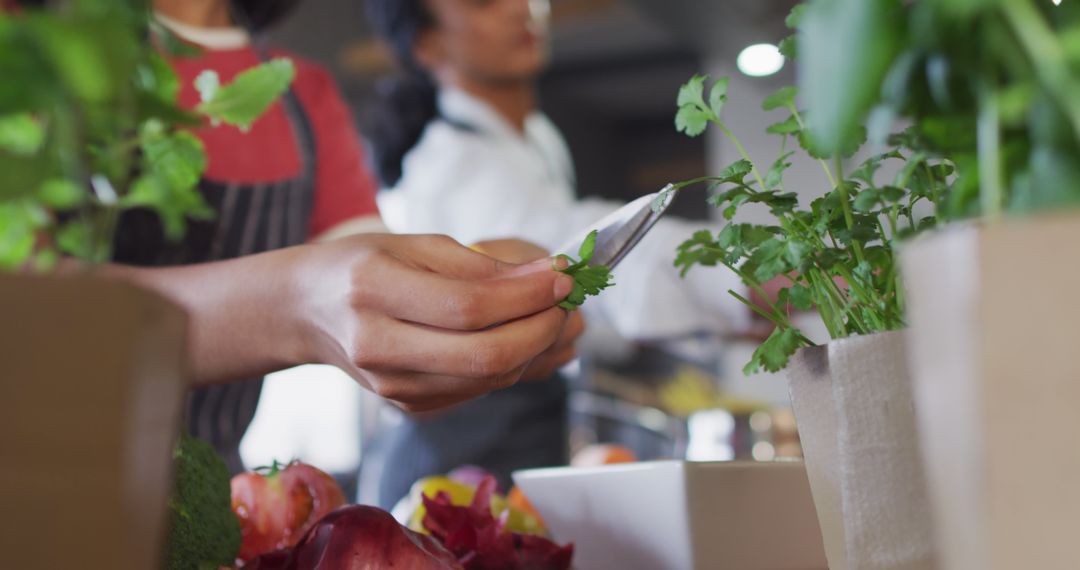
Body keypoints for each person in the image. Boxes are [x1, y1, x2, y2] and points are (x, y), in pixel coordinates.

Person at [85, 0, 583, 473]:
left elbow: (383, 354)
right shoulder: (41, 48)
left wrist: (463, 321)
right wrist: (299, 300)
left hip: (212, 509)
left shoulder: (305, 93)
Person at [359, 0, 751, 508]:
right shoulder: (450, 161)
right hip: (450, 468)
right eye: (484, 3)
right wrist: (740, 275)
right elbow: (560, 258)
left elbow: (584, 299)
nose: (520, 9)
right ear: (428, 45)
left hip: (518, 438)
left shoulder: (540, 139)